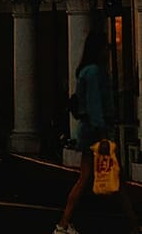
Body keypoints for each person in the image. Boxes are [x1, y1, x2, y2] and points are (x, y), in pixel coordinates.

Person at [55, 28, 139, 234]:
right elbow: (95, 105)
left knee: (89, 178)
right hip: (97, 132)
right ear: (99, 49)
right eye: (106, 48)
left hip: (90, 130)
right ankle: (134, 225)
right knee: (105, 179)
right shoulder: (94, 72)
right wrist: (103, 135)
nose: (108, 52)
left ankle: (64, 224)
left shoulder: (87, 71)